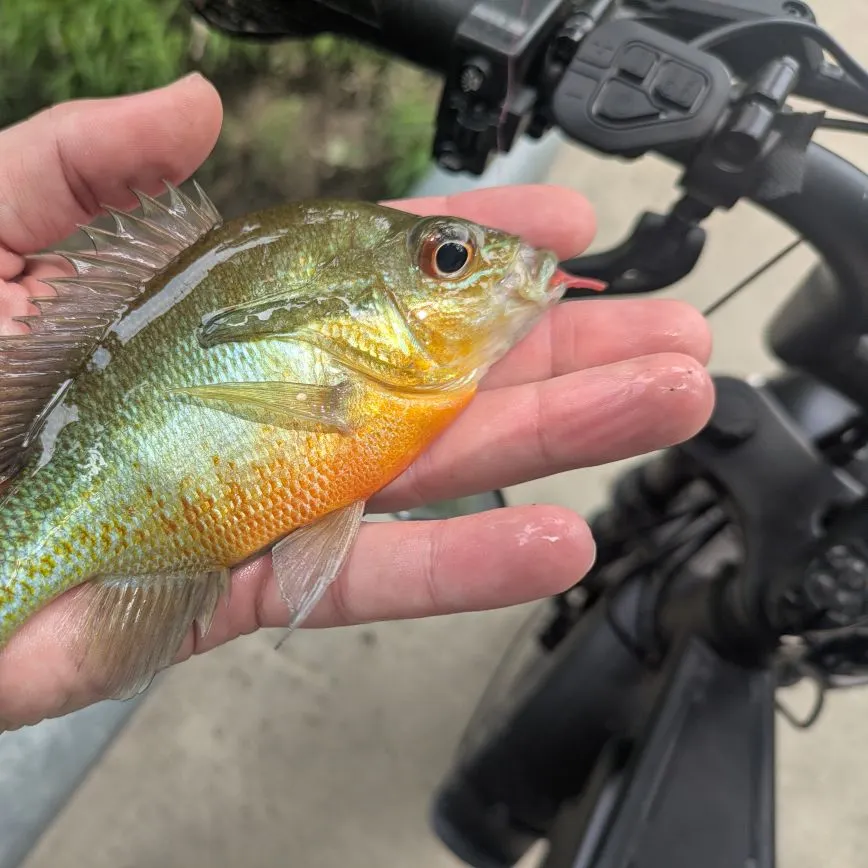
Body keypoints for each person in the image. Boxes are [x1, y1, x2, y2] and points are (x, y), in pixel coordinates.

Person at [0, 74, 714, 730]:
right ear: (352, 307)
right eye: (449, 260)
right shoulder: (353, 368)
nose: (495, 268)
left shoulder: (379, 374)